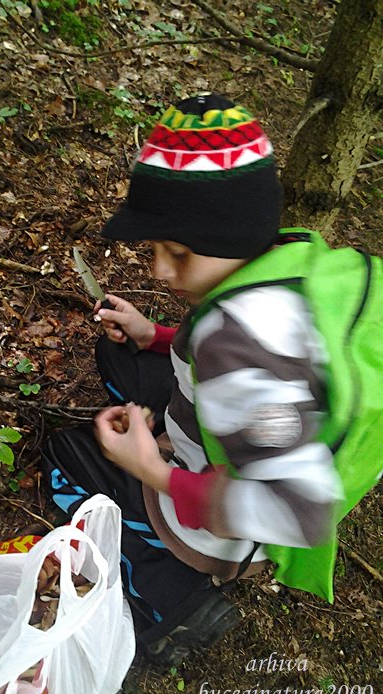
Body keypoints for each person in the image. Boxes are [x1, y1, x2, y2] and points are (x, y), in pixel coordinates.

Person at [41, 93, 342, 664]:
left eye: (177, 252)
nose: (159, 269)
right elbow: (235, 350)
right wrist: (152, 334)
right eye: (156, 249)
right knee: (120, 356)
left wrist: (149, 468)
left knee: (66, 455)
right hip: (235, 432)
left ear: (229, 236)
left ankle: (174, 596)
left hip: (227, 518)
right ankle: (166, 444)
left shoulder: (242, 352)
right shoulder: (284, 265)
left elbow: (297, 507)